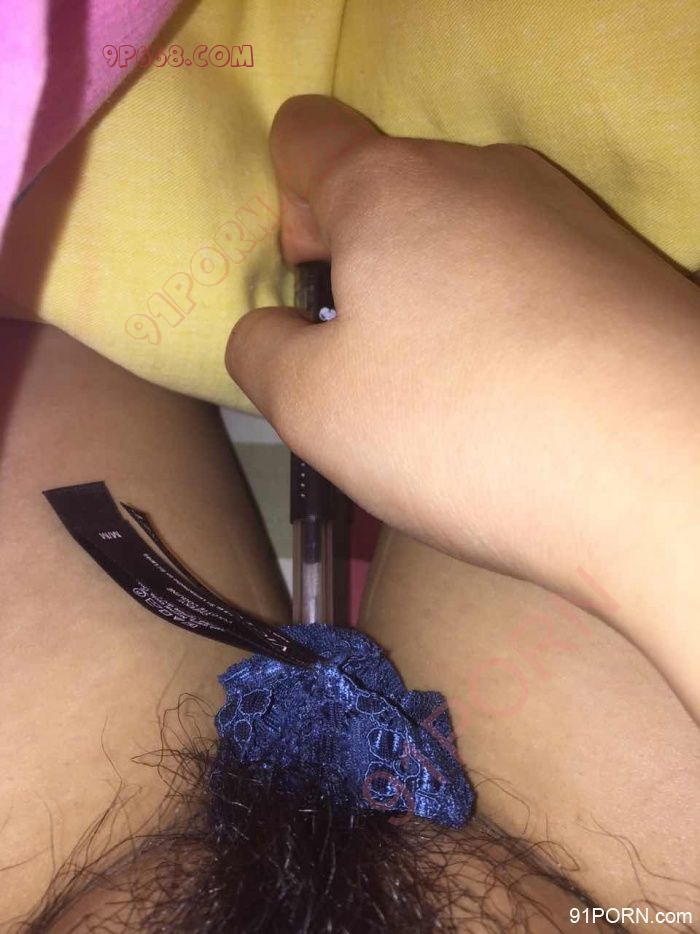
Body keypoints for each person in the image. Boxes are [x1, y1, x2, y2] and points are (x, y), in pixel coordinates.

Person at [0, 95, 698, 932]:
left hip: (52, 875)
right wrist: (652, 441)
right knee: (617, 209)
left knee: (50, 246)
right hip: (629, 897)